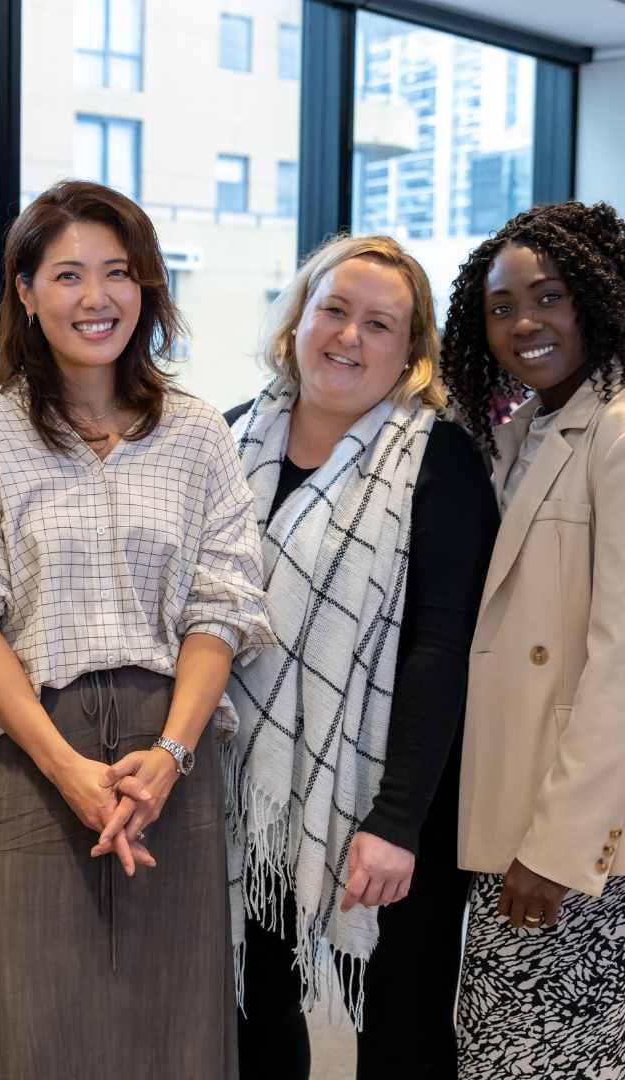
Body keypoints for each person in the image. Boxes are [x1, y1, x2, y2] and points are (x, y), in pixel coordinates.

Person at [0, 179, 272, 1079]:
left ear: (147, 289)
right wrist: (65, 766)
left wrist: (174, 753)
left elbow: (223, 606)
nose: (94, 297)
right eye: (67, 274)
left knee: (174, 1027)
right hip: (28, 752)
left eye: (118, 273)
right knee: (26, 1026)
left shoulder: (197, 434)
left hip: (168, 759)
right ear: (26, 292)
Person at [226, 234, 498, 1080]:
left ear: (409, 352)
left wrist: (394, 822)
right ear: (298, 317)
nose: (349, 337)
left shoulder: (439, 459)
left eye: (379, 325)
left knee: (400, 1029)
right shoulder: (232, 438)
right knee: (251, 1008)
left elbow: (441, 647)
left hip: (391, 792)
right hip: (251, 787)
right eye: (334, 310)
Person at [440, 200, 625, 1079]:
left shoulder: (618, 429)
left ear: (595, 297)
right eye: (501, 307)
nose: (524, 324)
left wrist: (556, 850)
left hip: (580, 850)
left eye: (547, 297)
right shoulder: (521, 432)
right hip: (515, 817)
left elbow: (620, 661)